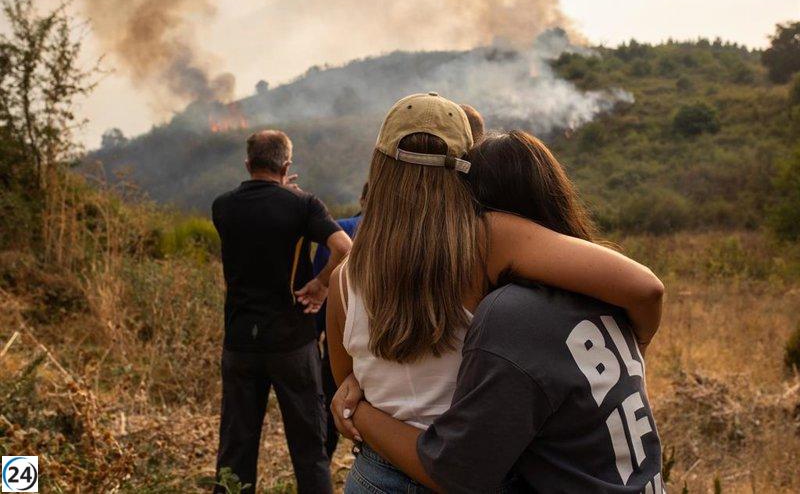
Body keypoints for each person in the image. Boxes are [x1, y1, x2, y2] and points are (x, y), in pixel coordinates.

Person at [324, 94, 664, 493]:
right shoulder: (488, 240)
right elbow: (646, 289)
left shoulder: (344, 279)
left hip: (376, 477)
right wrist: (627, 353)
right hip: (480, 473)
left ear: (378, 167)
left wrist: (358, 410)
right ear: (465, 169)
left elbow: (346, 381)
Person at [211, 129, 351, 494]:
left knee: (235, 451)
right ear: (286, 165)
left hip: (240, 342)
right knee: (309, 451)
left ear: (247, 163)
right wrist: (320, 285)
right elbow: (343, 246)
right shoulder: (303, 205)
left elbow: (260, 218)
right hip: (293, 342)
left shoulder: (222, 206)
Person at [311, 182, 368, 459]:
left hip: (337, 345)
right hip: (381, 351)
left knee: (330, 410)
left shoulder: (341, 228)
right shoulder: (408, 235)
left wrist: (320, 332)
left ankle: (323, 463)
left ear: (362, 198)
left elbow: (325, 297)